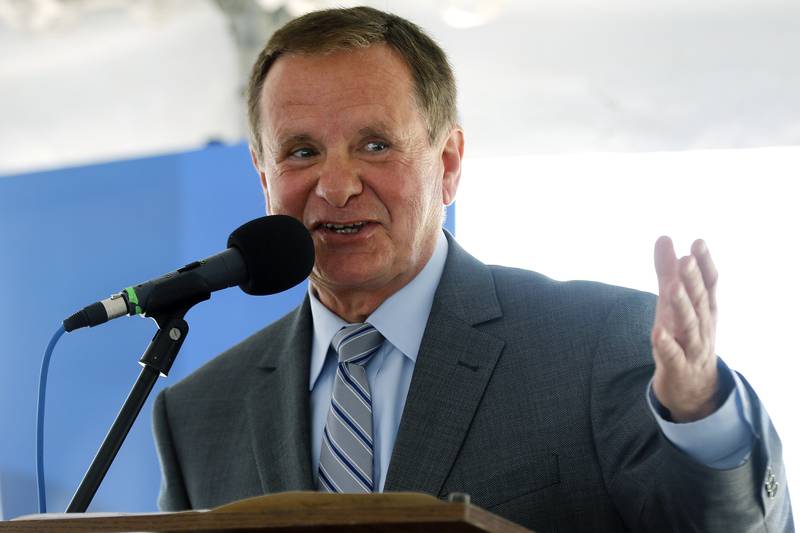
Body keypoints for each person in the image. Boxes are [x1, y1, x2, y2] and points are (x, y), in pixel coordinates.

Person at [152, 6, 793, 531]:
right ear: (264, 177)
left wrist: (701, 419)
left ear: (449, 163)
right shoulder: (198, 414)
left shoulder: (596, 344)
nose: (337, 185)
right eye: (301, 152)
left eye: (375, 145)